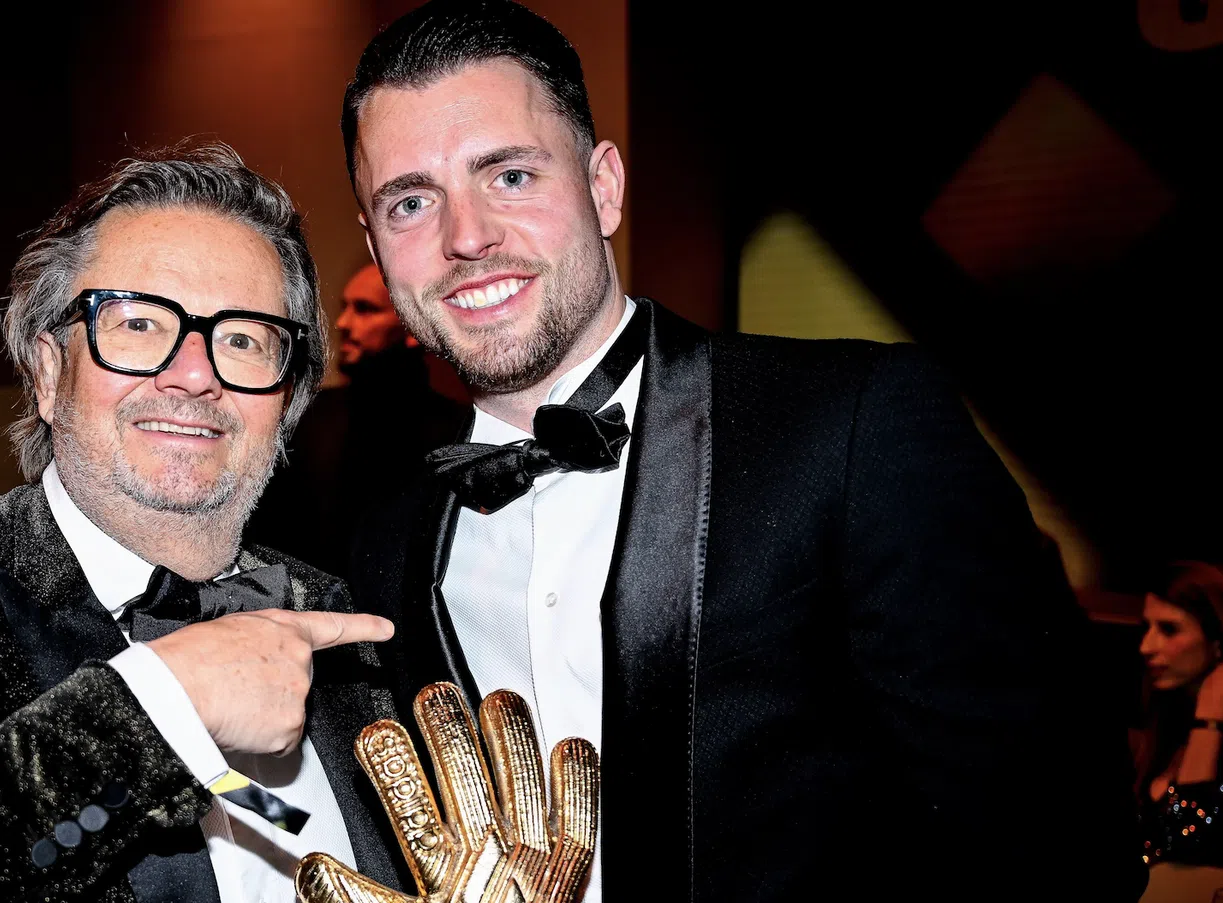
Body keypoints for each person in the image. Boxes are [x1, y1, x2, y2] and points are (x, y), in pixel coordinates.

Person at [340, 2, 1143, 900]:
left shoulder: (853, 426)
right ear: (374, 242)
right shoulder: (383, 541)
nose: (465, 236)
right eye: (410, 202)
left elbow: (1061, 835)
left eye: (512, 175)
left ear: (603, 187)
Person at [0, 145, 403, 903]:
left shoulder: (344, 621)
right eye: (138, 324)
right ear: (46, 371)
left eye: (242, 339)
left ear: (286, 398)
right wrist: (162, 708)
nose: (194, 374)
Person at [246, 262, 465, 574]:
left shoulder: (457, 430)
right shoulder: (307, 413)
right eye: (345, 307)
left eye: (365, 309)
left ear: (414, 325)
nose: (342, 323)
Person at [1139, 562, 1223, 864]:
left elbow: (1188, 839)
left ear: (1217, 641)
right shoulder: (1169, 724)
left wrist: (1211, 716)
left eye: (1168, 629)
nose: (1145, 646)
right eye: (1146, 628)